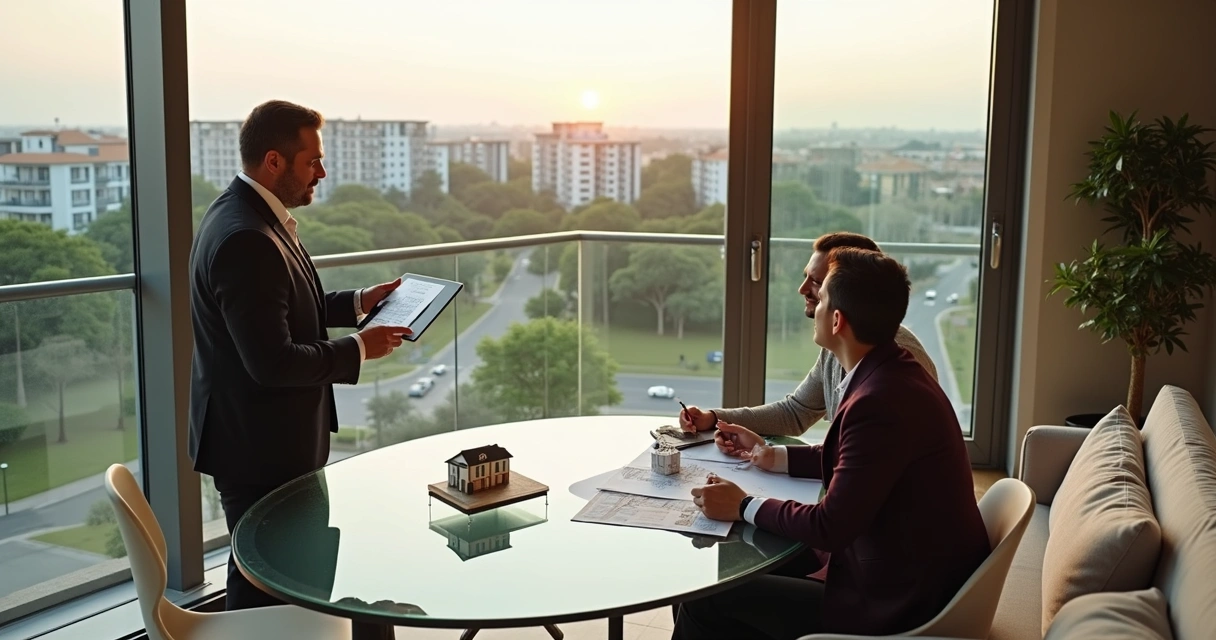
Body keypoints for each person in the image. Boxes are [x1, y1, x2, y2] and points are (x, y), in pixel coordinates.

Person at [674, 247, 989, 640]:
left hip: (894, 601)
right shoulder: (892, 370)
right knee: (729, 565)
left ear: (837, 320)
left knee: (707, 596)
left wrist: (743, 504)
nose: (812, 301)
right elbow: (857, 460)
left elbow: (830, 526)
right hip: (902, 569)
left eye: (821, 297)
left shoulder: (879, 400)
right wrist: (772, 455)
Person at [188, 100, 410, 610]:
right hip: (260, 447)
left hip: (263, 440)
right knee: (269, 583)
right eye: (312, 162)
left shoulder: (246, 215)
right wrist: (359, 347)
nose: (323, 172)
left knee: (282, 576)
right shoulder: (247, 237)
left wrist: (357, 304)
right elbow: (272, 361)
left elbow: (281, 311)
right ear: (274, 162)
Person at [679, 232, 938, 437]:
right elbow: (795, 413)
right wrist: (713, 418)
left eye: (818, 283)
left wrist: (747, 504)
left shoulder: (897, 369)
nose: (802, 289)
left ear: (853, 289)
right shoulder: (842, 345)